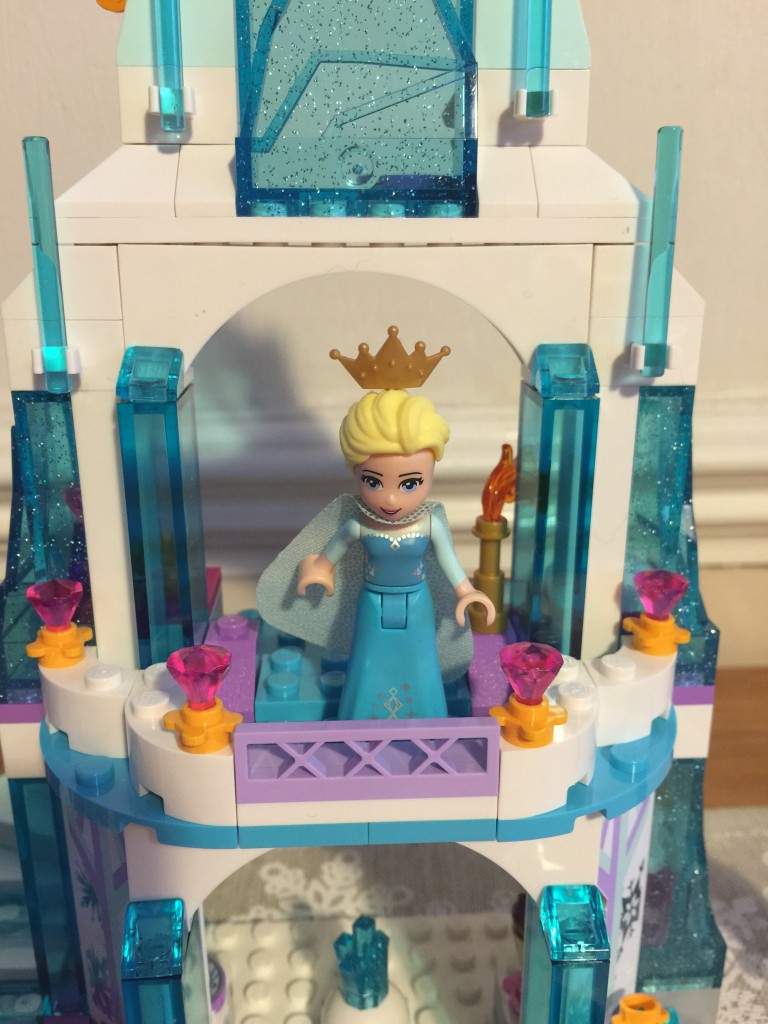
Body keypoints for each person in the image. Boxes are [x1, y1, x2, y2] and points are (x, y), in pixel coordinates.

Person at [256, 388, 494, 719]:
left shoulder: (429, 525)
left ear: (430, 475)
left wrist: (466, 592)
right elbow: (329, 555)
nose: (391, 499)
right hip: (372, 603)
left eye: (409, 484)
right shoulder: (358, 525)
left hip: (417, 604)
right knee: (367, 660)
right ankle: (361, 718)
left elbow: (448, 561)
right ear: (357, 474)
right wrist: (319, 570)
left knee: (421, 661)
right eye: (373, 482)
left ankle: (426, 718)